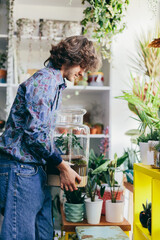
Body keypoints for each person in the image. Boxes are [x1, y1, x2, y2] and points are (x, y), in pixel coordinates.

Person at [0, 35, 100, 240]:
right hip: (20, 169)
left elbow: (41, 132)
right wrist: (63, 167)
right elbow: (35, 134)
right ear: (71, 57)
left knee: (44, 234)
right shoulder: (45, 81)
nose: (83, 72)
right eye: (83, 65)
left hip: (33, 170)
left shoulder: (54, 85)